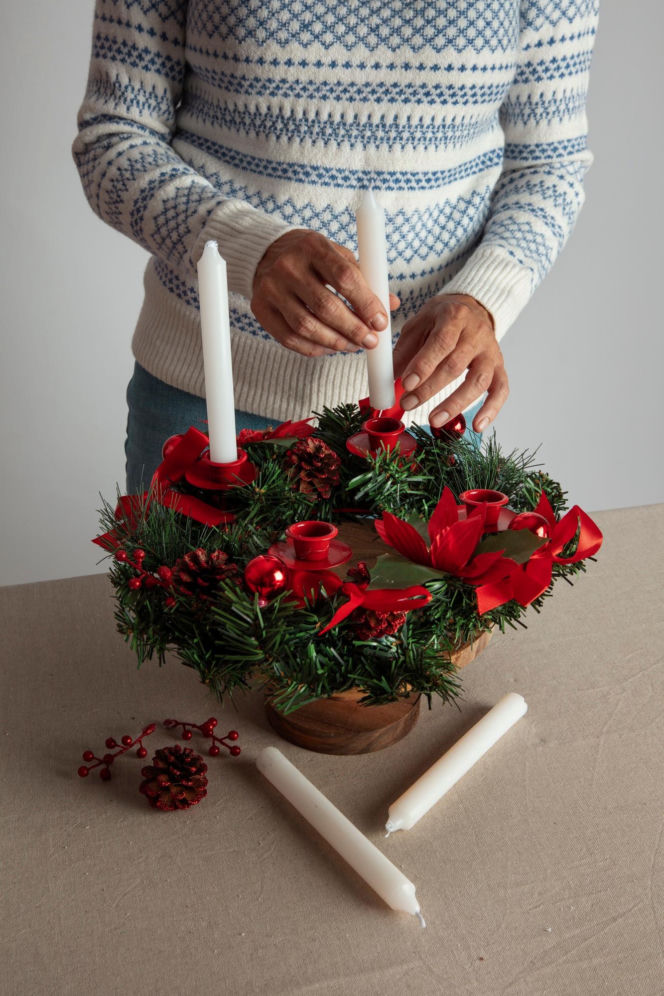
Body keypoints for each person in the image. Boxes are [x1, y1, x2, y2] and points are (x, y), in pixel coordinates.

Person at [73, 0, 598, 491]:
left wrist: (482, 298)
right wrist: (248, 248)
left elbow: (548, 166)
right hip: (206, 399)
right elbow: (113, 136)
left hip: (424, 412)